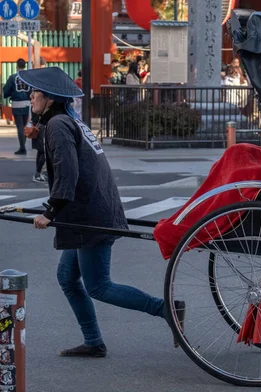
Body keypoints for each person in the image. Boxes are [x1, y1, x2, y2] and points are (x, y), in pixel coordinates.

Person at [18, 66, 185, 358]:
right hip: (93, 210)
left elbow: (68, 172)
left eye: (35, 92)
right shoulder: (70, 121)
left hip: (90, 216)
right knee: (68, 277)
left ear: (50, 98)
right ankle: (93, 341)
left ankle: (166, 309)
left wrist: (51, 212)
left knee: (99, 285)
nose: (31, 96)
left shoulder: (58, 125)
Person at [2, 59, 31, 155]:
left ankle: (22, 147)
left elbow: (6, 91)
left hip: (17, 104)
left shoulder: (13, 77)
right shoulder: (29, 78)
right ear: (25, 66)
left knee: (19, 127)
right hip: (27, 103)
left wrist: (9, 94)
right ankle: (23, 145)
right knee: (24, 125)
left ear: (17, 66)